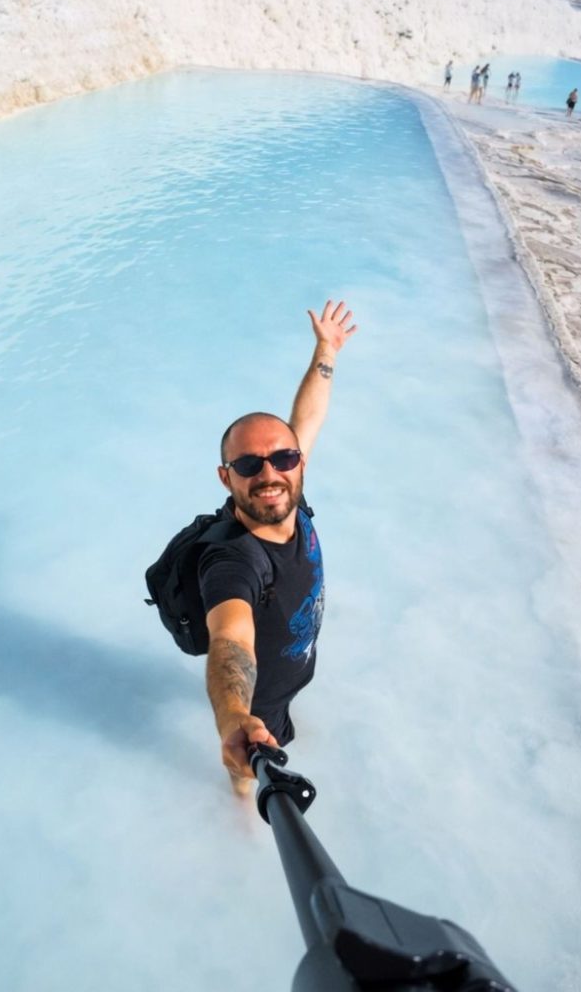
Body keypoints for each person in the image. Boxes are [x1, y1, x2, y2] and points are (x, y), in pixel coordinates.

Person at [201, 300, 357, 794]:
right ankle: (240, 819)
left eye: (283, 458)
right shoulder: (233, 560)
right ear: (226, 479)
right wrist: (233, 719)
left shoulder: (288, 492)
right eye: (248, 466)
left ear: (300, 464)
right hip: (260, 696)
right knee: (247, 759)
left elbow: (306, 418)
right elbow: (231, 642)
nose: (269, 474)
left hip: (292, 674)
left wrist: (326, 351)